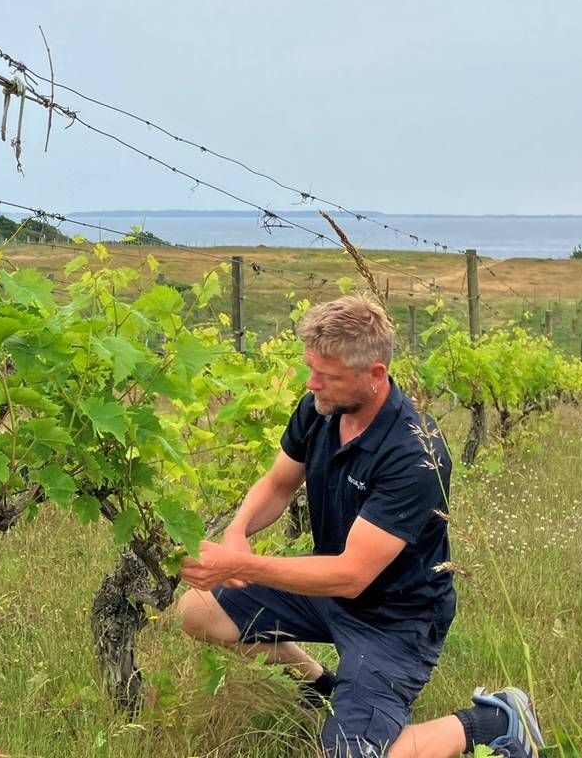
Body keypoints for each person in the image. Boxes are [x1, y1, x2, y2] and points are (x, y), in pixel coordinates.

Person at [173, 295, 545, 757]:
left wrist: (244, 564)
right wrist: (238, 531)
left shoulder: (414, 454)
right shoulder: (322, 409)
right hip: (329, 590)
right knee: (198, 610)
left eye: (326, 376)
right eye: (311, 369)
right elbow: (277, 484)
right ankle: (319, 687)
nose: (312, 384)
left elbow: (352, 576)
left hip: (394, 618)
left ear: (374, 376)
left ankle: (496, 720)